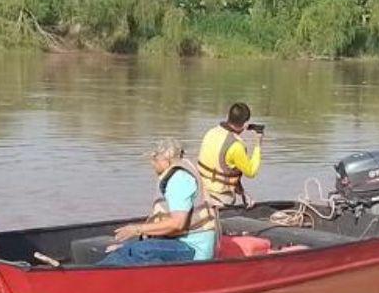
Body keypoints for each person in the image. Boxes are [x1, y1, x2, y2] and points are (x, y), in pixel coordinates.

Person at [100, 138, 218, 266]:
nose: (152, 163)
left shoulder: (179, 180)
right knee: (125, 248)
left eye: (154, 159)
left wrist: (137, 229)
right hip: (177, 239)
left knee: (138, 250)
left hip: (192, 247)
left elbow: (177, 224)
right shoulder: (179, 169)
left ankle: (92, 278)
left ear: (166, 160)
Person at [198, 101, 263, 208]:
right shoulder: (236, 146)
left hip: (204, 194)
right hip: (222, 199)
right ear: (245, 124)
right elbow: (251, 172)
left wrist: (242, 192)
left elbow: (222, 166)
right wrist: (258, 144)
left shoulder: (211, 132)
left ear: (228, 116)